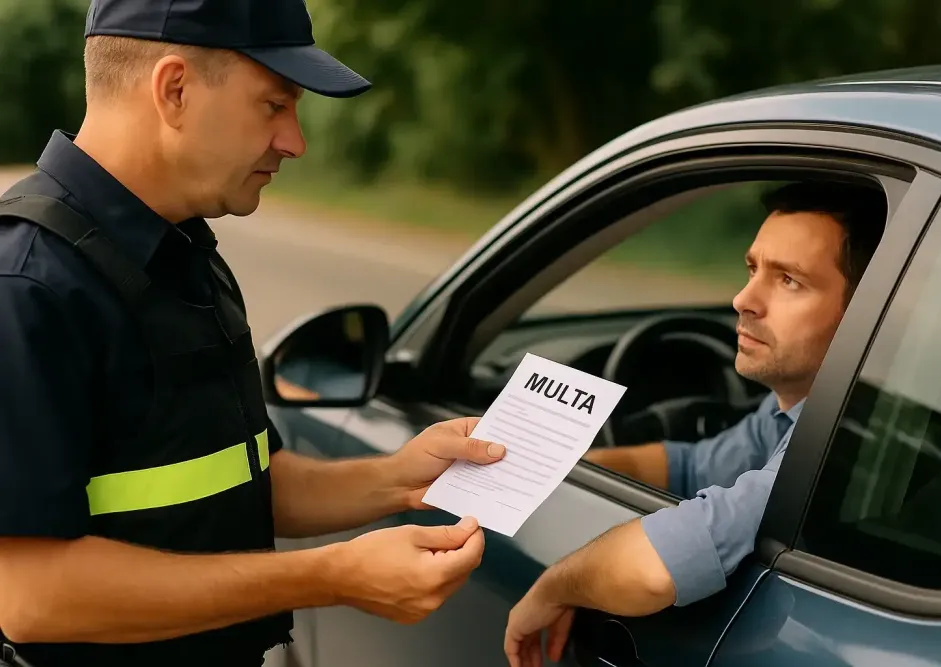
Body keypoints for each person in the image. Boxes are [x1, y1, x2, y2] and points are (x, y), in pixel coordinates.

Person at [0, 1, 507, 666]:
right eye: (275, 105)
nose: (296, 141)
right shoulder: (28, 285)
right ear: (174, 89)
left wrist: (403, 478)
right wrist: (331, 575)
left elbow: (241, 482)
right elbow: (32, 594)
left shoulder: (185, 251)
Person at [503, 180, 887, 667]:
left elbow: (655, 571)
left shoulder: (843, 445)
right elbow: (690, 464)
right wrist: (541, 467)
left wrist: (554, 587)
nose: (743, 299)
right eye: (753, 269)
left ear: (868, 316)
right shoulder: (797, 413)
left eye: (789, 280)